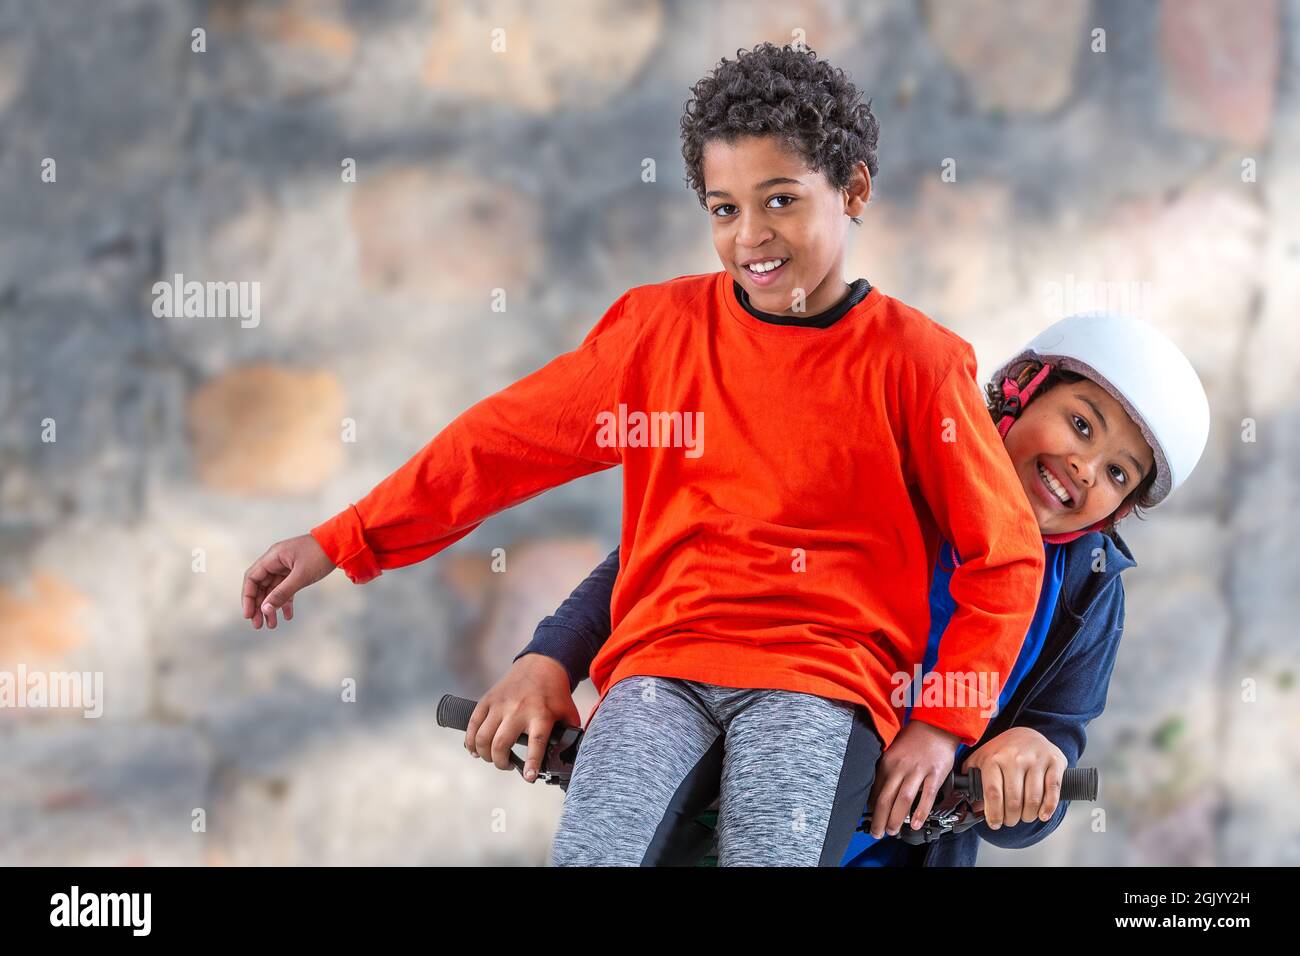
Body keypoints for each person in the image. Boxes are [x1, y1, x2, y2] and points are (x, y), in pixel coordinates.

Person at [240, 42, 1045, 866]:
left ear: (855, 190)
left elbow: (1005, 554)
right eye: (725, 209)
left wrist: (944, 723)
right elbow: (500, 442)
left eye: (781, 200)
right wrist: (340, 539)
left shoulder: (918, 362)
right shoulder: (658, 333)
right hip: (660, 667)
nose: (751, 236)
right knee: (595, 853)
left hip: (821, 682)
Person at [493, 313, 1211, 865]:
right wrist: (550, 658)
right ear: (1018, 393)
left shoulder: (1087, 590)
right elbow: (679, 549)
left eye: (1119, 474)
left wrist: (1031, 762)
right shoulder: (882, 458)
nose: (1086, 469)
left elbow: (1054, 745)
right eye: (1081, 425)